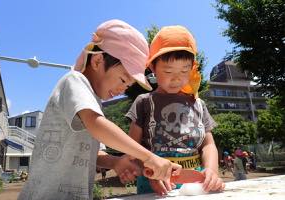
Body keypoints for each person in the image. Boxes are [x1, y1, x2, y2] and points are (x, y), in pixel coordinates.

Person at [18, 19, 181, 200]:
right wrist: (150, 158)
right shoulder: (74, 81)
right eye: (122, 80)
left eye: (128, 85)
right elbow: (97, 125)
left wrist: (116, 162)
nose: (122, 89)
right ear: (97, 61)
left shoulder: (93, 101)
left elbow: (94, 153)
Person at [126, 25, 225, 196]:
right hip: (155, 186)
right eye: (168, 70)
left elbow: (208, 145)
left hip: (196, 183)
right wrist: (151, 173)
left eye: (185, 70)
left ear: (192, 68)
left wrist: (212, 172)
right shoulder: (144, 102)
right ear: (152, 68)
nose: (177, 78)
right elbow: (131, 148)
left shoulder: (198, 104)